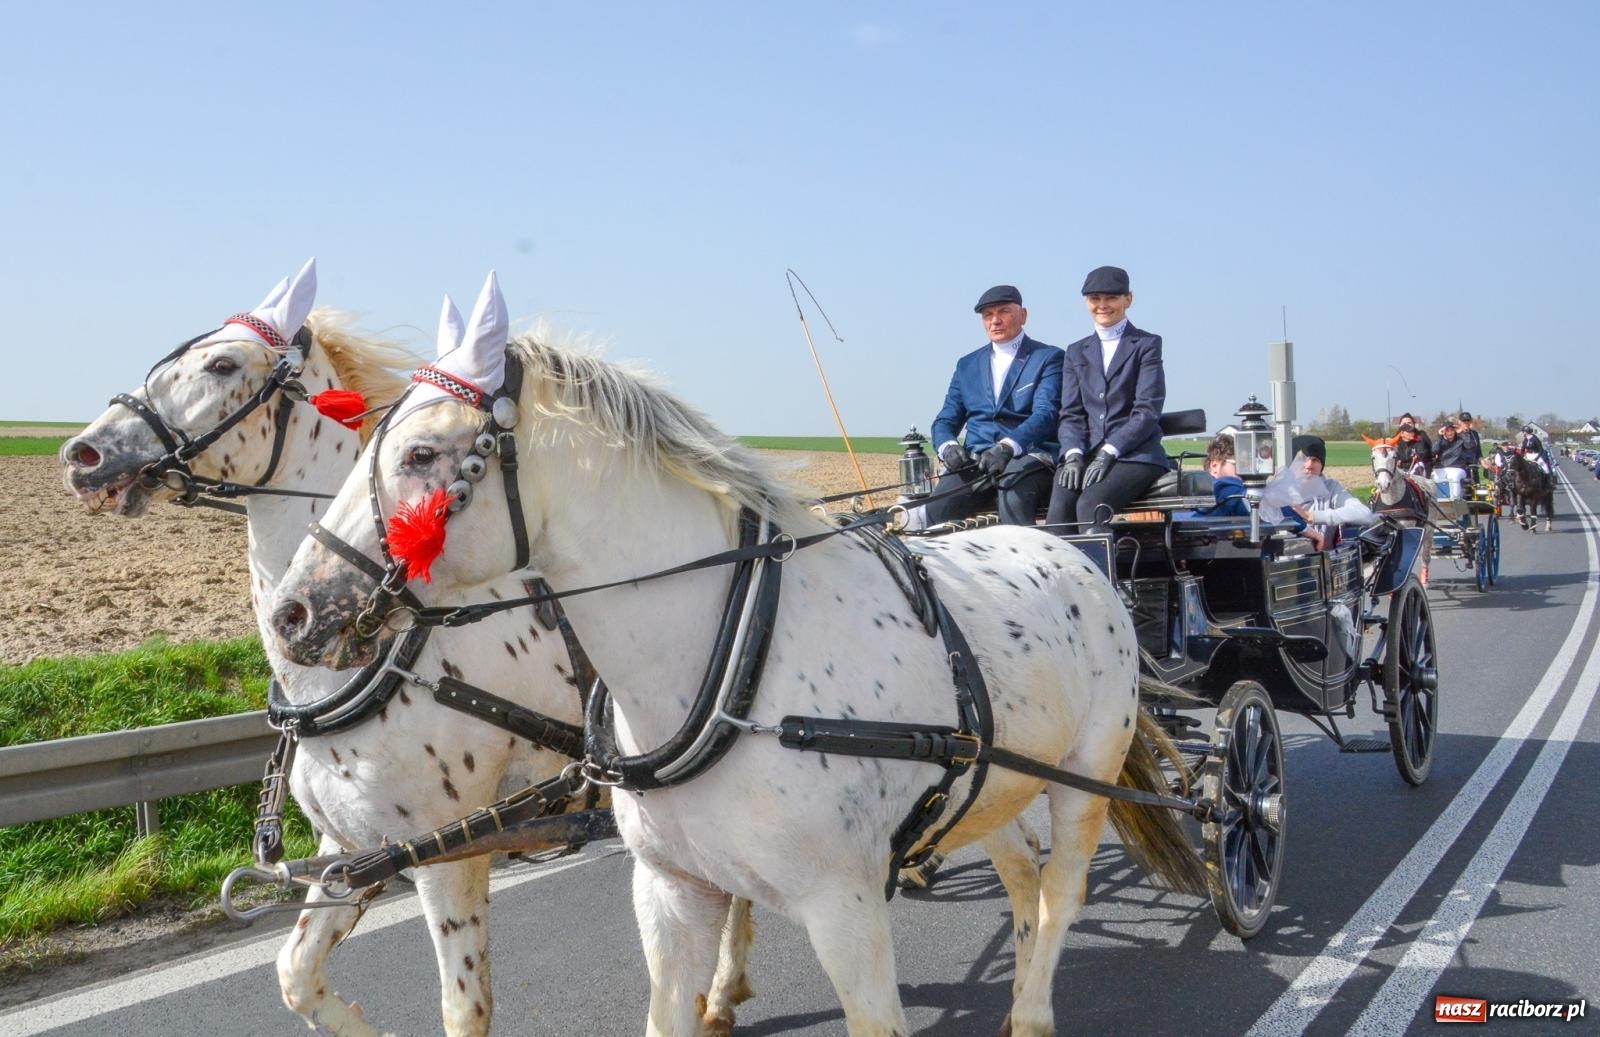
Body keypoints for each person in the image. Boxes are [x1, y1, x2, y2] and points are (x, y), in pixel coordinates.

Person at [926, 285, 1064, 525]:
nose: (995, 321)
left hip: (1027, 457)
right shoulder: (966, 365)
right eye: (988, 315)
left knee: (1012, 496)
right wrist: (948, 446)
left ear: (1023, 315)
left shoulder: (1049, 357)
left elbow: (1046, 414)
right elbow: (946, 419)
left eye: (1004, 312)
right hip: (978, 460)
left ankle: (1024, 560)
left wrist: (1007, 447)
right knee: (938, 507)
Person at [1046, 266, 1168, 532]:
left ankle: (1098, 573)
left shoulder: (1146, 345)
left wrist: (1109, 450)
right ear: (1086, 302)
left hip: (1135, 455)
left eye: (1111, 298)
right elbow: (1071, 413)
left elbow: (1147, 411)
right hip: (1086, 453)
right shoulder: (1076, 351)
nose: (1102, 305)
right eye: (1095, 299)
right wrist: (1074, 453)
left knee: (1091, 504)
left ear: (1128, 299)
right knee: (1059, 510)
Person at [1260, 435, 1373, 549]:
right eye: (1303, 459)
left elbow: (1364, 513)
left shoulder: (1331, 488)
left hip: (1323, 562)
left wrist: (1313, 516)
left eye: (1315, 460)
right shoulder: (1274, 491)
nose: (1309, 465)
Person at [1201, 432, 1248, 517]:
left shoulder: (1203, 488)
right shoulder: (1224, 489)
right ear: (1214, 465)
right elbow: (1259, 509)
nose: (1245, 472)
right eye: (1239, 465)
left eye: (1247, 467)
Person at [1432, 422, 1476, 499]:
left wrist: (1465, 433)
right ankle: (1439, 500)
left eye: (1452, 430)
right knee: (1437, 476)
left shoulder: (1460, 440)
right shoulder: (1439, 441)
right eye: (1447, 430)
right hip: (1442, 468)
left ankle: (1455, 499)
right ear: (1443, 432)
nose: (1450, 433)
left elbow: (1469, 446)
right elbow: (1434, 450)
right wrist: (1439, 436)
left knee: (1453, 476)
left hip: (1458, 468)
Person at [1456, 411, 1484, 485]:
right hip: (1461, 468)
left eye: (1468, 420)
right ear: (1459, 422)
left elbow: (1478, 451)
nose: (1466, 423)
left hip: (1473, 467)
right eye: (1464, 421)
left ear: (1471, 421)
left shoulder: (1474, 434)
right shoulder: (1455, 435)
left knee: (1478, 490)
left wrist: (1485, 464)